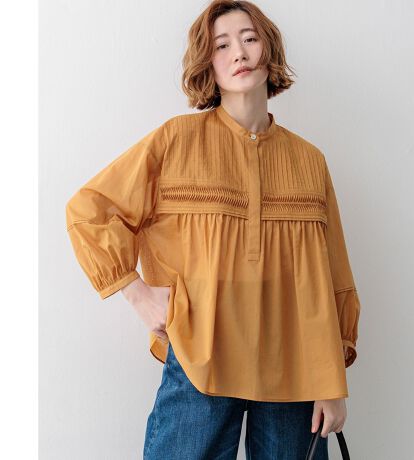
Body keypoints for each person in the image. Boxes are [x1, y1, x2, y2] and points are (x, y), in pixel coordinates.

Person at [65, 1, 361, 459]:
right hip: (200, 355)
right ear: (208, 63)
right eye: (222, 45)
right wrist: (137, 294)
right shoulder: (175, 140)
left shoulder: (309, 160)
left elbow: (332, 274)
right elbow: (90, 210)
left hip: (297, 368)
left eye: (249, 38)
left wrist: (332, 380)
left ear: (268, 50)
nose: (238, 52)